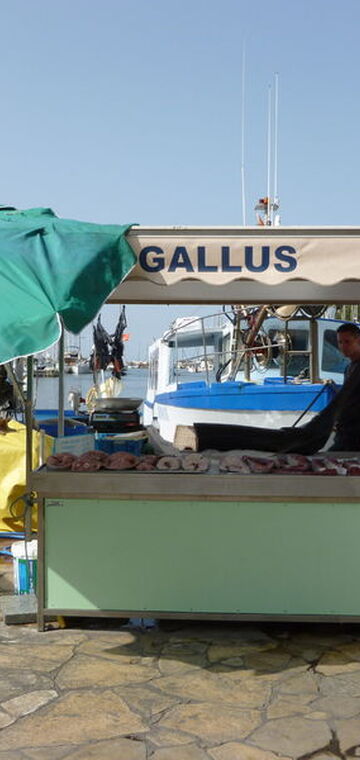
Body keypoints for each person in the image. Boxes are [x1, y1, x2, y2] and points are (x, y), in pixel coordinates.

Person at [330, 322, 360, 451]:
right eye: (340, 342)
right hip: (346, 431)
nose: (343, 347)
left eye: (347, 342)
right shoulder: (349, 368)